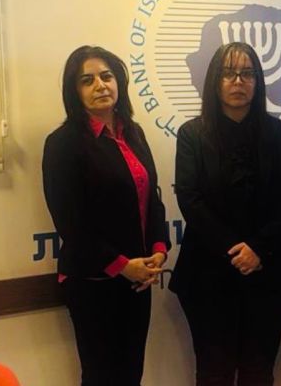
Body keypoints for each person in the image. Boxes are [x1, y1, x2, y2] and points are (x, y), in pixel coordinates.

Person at [169, 42, 281, 386]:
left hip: (269, 270)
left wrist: (257, 248)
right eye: (228, 73)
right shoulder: (192, 134)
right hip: (208, 274)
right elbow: (190, 199)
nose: (238, 81)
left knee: (259, 371)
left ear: (258, 81)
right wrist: (236, 249)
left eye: (247, 73)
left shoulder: (278, 132)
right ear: (214, 80)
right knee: (214, 372)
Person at [42, 45, 170, 386]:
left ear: (119, 83)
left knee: (131, 374)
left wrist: (158, 251)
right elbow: (71, 223)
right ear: (74, 91)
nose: (100, 85)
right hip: (93, 283)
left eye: (106, 76)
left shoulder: (134, 133)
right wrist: (122, 265)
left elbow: (152, 200)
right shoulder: (63, 144)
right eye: (87, 80)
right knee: (101, 377)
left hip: (138, 279)